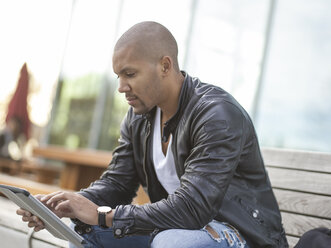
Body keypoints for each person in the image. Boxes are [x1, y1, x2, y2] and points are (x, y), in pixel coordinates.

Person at [17, 21, 288, 248]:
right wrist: (68, 204)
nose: (121, 87)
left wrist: (102, 215)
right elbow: (117, 184)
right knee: (88, 231)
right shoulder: (138, 118)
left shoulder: (216, 114)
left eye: (130, 74)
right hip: (179, 229)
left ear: (165, 66)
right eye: (118, 76)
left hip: (240, 235)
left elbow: (192, 207)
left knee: (171, 243)